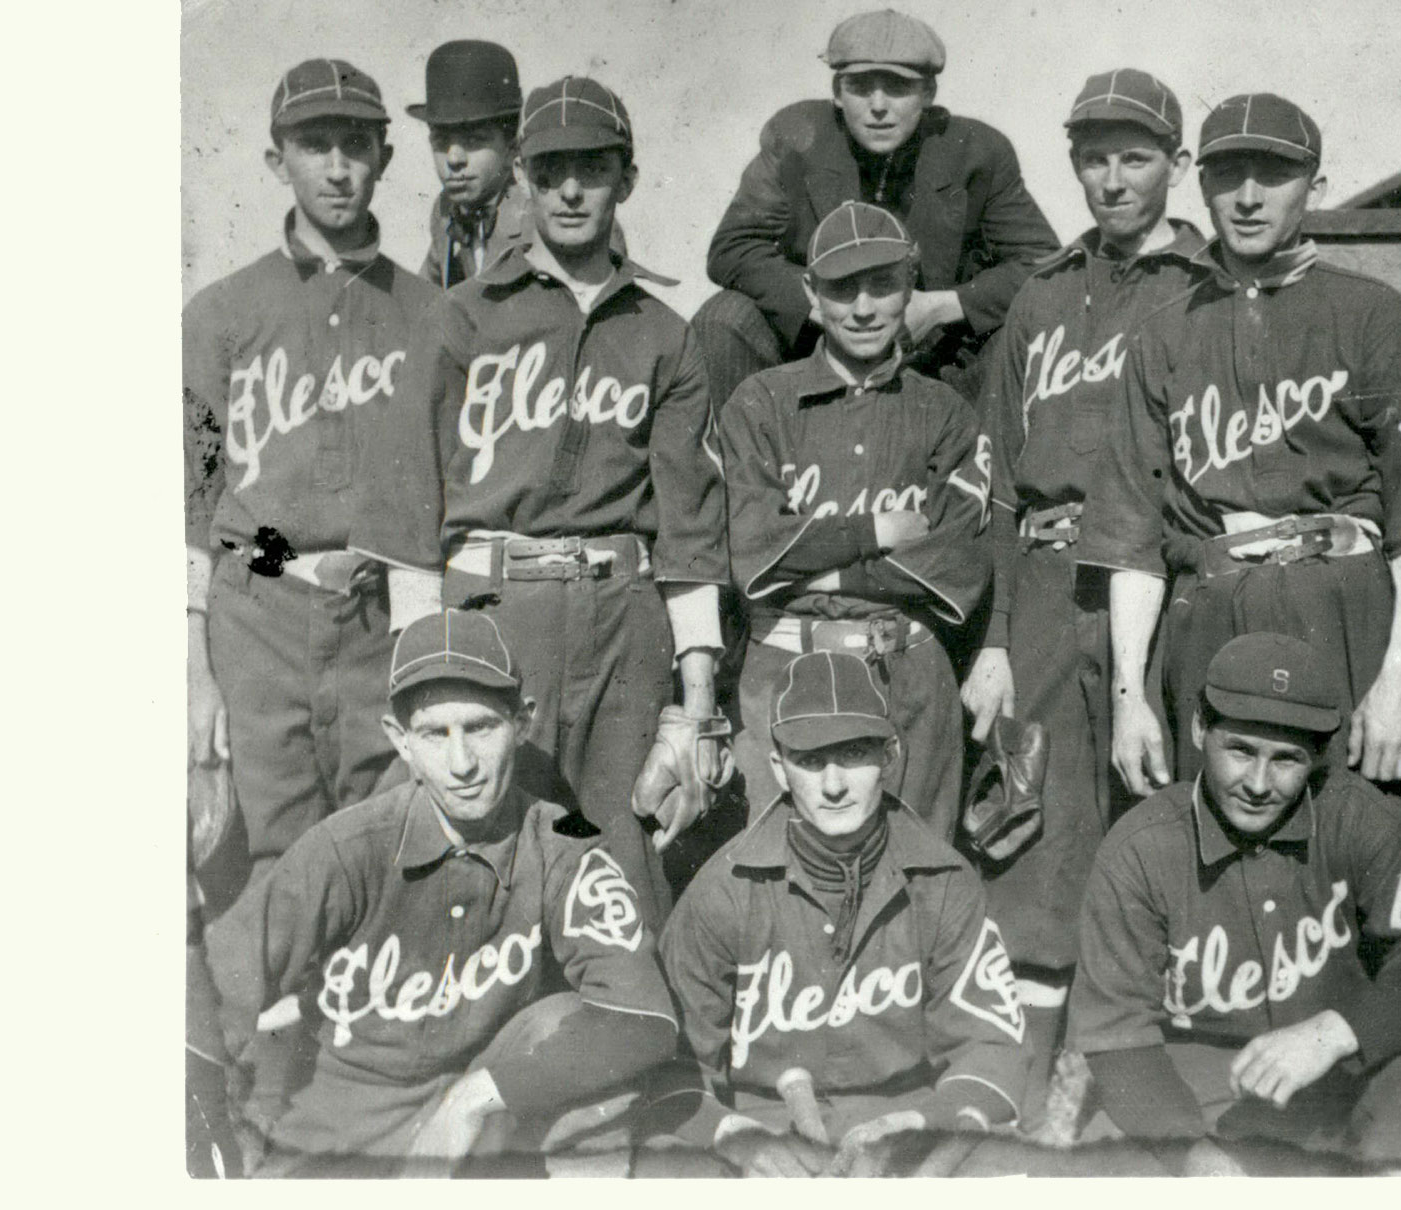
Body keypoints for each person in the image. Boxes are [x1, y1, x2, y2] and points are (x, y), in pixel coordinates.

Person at [354, 75, 730, 920]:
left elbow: (690, 530)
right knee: (480, 854)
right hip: (492, 608)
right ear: (523, 174)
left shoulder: (664, 335)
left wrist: (697, 702)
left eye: (591, 169)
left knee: (622, 858)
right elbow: (408, 507)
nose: (569, 190)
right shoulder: (462, 318)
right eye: (551, 168)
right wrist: (423, 669)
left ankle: (626, 1041)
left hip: (621, 622)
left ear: (625, 180)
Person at [1080, 92, 1401, 801]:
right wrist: (1130, 699)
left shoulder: (1371, 313)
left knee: (1357, 839)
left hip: (1342, 603)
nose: (1249, 198)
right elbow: (1132, 540)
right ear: (1201, 183)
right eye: (1230, 175)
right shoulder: (1163, 334)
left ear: (1315, 189)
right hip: (1214, 608)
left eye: (1275, 175)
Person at [958, 67, 1204, 1121]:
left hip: (1166, 579)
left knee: (1164, 828)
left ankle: (1151, 1082)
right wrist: (1002, 637)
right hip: (1054, 583)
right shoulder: (1044, 295)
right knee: (1043, 846)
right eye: (1094, 157)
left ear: (1173, 165)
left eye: (1135, 156)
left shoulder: (1203, 286)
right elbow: (1000, 480)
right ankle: (1030, 1093)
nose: (1112, 178)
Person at [186, 58, 444, 1052]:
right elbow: (190, 498)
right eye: (312, 146)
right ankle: (262, 1088)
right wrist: (194, 665)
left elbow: (437, 493)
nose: (336, 168)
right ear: (275, 159)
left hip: (382, 609)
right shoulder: (221, 315)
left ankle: (373, 1068)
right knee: (268, 848)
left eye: (354, 145)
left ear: (383, 155)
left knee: (388, 832)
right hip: (262, 603)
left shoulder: (430, 315)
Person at [243, 610, 683, 1176]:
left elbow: (642, 1019)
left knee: (569, 1027)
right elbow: (209, 985)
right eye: (435, 734)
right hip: (339, 1136)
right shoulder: (346, 849)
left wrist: (478, 1096)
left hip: (475, 1137)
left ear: (522, 724)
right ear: (401, 742)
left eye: (480, 727)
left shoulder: (561, 845)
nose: (462, 764)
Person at [1069, 633, 1401, 1162]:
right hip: (1210, 1084)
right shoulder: (1138, 849)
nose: (1258, 782)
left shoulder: (1356, 816)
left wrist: (1336, 1032)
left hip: (1341, 1065)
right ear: (1199, 729)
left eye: (1286, 759)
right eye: (1240, 750)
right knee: (1111, 1165)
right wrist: (1190, 1157)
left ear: (1319, 757)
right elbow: (1118, 1036)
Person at [657, 650, 1028, 1177]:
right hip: (763, 1125)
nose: (834, 785)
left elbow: (993, 1046)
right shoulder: (725, 889)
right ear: (778, 769)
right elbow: (668, 1068)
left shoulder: (943, 881)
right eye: (810, 760)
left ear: (891, 754)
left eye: (854, 754)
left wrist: (928, 1122)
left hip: (906, 1119)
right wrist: (733, 1136)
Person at [721, 201, 991, 835]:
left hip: (908, 674)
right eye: (843, 288)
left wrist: (813, 570)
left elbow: (955, 563)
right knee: (784, 891)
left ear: (910, 284)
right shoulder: (761, 404)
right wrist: (872, 535)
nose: (864, 307)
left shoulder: (945, 412)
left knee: (917, 882)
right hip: (786, 672)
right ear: (812, 295)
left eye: (883, 283)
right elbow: (752, 557)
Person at [692, 7, 1058, 407]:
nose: (878, 105)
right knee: (725, 317)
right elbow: (733, 247)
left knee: (1032, 327)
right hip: (815, 350)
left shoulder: (977, 151)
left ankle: (982, 466)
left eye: (898, 87)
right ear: (837, 91)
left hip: (931, 360)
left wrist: (939, 308)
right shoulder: (797, 137)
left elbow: (1045, 265)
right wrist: (826, 308)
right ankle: (742, 466)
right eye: (861, 86)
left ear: (928, 93)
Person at [407, 40, 624, 288]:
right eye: (440, 139)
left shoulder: (560, 216)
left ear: (512, 145)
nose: (454, 159)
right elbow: (425, 301)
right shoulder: (445, 210)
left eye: (474, 140)